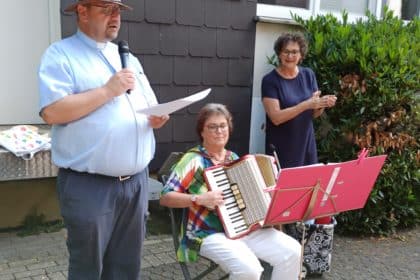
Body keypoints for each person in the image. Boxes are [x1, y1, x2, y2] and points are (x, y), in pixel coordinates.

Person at [38, 1, 169, 279]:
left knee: (126, 267)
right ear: (82, 11)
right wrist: (108, 90)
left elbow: (146, 104)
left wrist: (156, 117)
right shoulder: (61, 54)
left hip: (136, 182)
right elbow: (53, 112)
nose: (116, 16)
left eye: (119, 10)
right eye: (107, 8)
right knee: (88, 268)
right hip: (90, 186)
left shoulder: (128, 57)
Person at [160, 103, 301, 280]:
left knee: (293, 251)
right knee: (250, 269)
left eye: (223, 125)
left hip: (244, 228)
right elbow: (166, 197)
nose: (219, 131)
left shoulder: (233, 158)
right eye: (212, 126)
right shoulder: (193, 160)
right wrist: (198, 198)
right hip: (207, 233)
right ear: (202, 131)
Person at [261, 32, 337, 169]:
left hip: (306, 144)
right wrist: (306, 104)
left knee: (308, 186)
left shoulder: (308, 75)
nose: (290, 56)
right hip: (282, 146)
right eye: (286, 52)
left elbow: (313, 114)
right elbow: (276, 118)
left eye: (295, 52)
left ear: (301, 55)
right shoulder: (270, 81)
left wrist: (322, 104)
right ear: (279, 53)